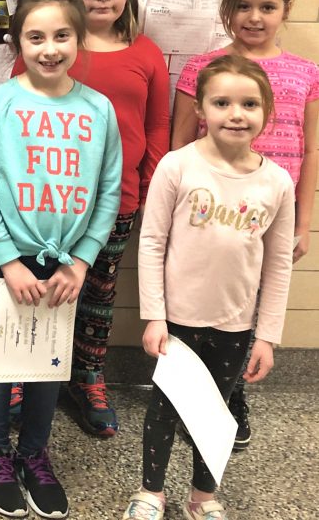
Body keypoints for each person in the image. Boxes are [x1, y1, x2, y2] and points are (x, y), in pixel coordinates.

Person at [0, 0, 122, 519]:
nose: (49, 49)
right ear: (17, 42)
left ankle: (34, 453)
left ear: (80, 40)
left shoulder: (98, 109)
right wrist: (8, 260)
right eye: (36, 37)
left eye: (61, 36)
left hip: (67, 267)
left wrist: (81, 261)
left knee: (49, 363)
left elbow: (108, 191)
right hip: (6, 263)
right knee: (2, 361)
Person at [124, 55, 294, 520]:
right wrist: (154, 316)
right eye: (222, 103)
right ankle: (151, 492)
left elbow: (279, 263)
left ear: (267, 111)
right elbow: (151, 243)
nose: (236, 114)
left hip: (235, 322)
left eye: (249, 104)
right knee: (165, 408)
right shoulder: (178, 166)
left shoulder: (277, 182)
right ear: (201, 108)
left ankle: (203, 496)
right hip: (177, 320)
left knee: (216, 413)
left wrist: (267, 336)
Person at [8, 0, 170, 437]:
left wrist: (148, 188)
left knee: (98, 294)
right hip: (48, 206)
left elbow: (156, 125)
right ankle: (21, 374)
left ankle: (87, 378)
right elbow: (17, 126)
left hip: (116, 202)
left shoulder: (145, 53)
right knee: (37, 290)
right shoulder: (51, 49)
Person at [172, 0, 319, 450]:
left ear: (286, 10)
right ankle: (188, 394)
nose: (254, 17)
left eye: (267, 7)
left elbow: (311, 149)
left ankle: (230, 395)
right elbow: (178, 147)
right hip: (207, 214)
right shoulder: (201, 68)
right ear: (227, 10)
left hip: (268, 215)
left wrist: (302, 222)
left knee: (249, 306)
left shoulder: (306, 73)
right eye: (243, 6)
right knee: (201, 301)